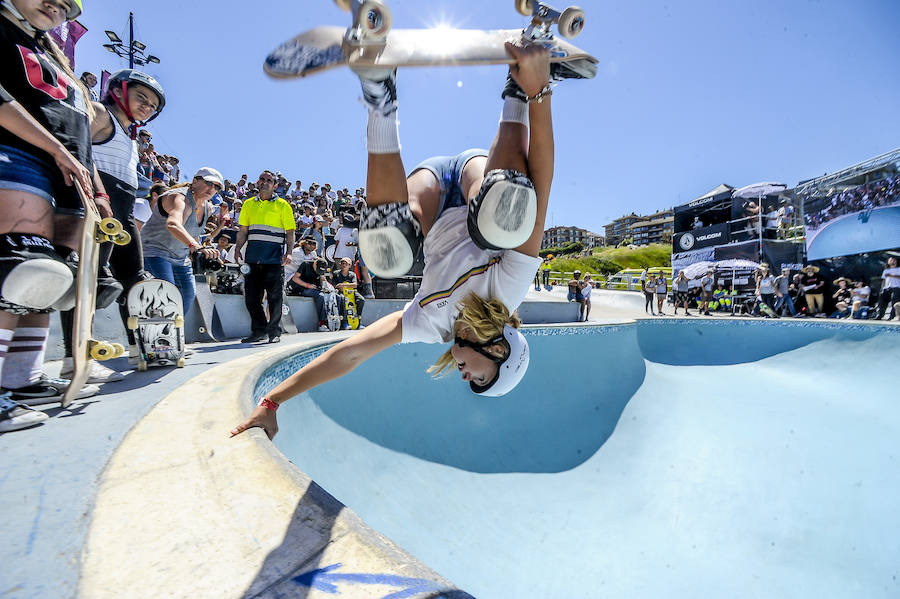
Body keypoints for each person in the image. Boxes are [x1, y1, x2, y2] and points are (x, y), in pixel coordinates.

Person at [232, 41, 581, 440]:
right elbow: (542, 184)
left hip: (428, 195)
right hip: (476, 181)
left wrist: (272, 401)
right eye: (480, 379)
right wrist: (539, 93)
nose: (466, 378)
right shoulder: (508, 290)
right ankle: (516, 90)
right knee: (507, 220)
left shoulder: (428, 324)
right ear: (499, 352)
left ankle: (380, 96)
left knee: (387, 254)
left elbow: (351, 352)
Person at [0, 0, 112, 428]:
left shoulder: (49, 52)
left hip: (68, 172)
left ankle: (22, 378)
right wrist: (54, 149)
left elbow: (78, 132)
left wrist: (96, 188)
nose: (55, 7)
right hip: (19, 155)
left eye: (67, 6)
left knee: (48, 280)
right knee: (15, 271)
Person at [60, 68, 167, 383]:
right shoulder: (102, 114)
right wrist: (97, 197)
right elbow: (75, 145)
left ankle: (142, 348)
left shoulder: (130, 133)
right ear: (119, 91)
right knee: (88, 280)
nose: (147, 107)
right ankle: (75, 359)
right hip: (98, 203)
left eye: (152, 105)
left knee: (135, 278)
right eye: (141, 98)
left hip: (123, 209)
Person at [140, 168, 223, 329]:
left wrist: (206, 250)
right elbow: (173, 224)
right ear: (195, 180)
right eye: (208, 183)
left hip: (180, 256)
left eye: (217, 187)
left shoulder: (208, 208)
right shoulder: (179, 197)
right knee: (167, 292)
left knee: (187, 293)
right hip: (155, 251)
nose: (212, 189)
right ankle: (157, 335)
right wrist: (196, 246)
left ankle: (172, 335)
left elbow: (194, 233)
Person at [234, 170, 295, 343]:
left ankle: (274, 332)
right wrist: (238, 248)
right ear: (258, 182)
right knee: (251, 298)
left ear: (275, 185)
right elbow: (243, 230)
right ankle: (259, 331)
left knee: (275, 298)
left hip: (274, 260)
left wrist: (289, 253)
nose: (265, 182)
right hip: (252, 259)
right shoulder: (248, 204)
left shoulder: (283, 205)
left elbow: (290, 233)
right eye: (262, 179)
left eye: (269, 180)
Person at [332, 256, 365, 328]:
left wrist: (343, 285)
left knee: (361, 300)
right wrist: (344, 286)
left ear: (349, 266)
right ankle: (344, 322)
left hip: (351, 292)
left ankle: (358, 321)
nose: (344, 265)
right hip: (340, 292)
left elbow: (355, 285)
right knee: (342, 299)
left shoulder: (352, 274)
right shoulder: (336, 273)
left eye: (346, 264)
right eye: (342, 263)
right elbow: (335, 285)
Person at [874, 256, 900, 320]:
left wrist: (891, 275)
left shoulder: (899, 269)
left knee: (894, 302)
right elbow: (884, 280)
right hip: (886, 288)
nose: (892, 261)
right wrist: (882, 288)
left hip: (896, 287)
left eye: (893, 260)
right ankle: (880, 315)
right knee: (882, 302)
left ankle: (892, 316)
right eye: (890, 260)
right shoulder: (886, 270)